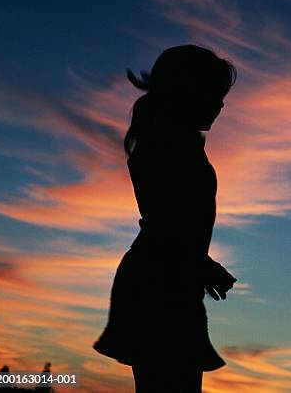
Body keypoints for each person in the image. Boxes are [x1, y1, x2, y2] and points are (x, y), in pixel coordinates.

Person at [93, 45, 237, 392]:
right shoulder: (169, 143)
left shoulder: (175, 141)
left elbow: (174, 221)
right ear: (186, 91)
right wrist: (200, 264)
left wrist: (200, 263)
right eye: (214, 93)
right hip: (160, 283)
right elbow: (166, 222)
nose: (220, 104)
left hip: (167, 277)